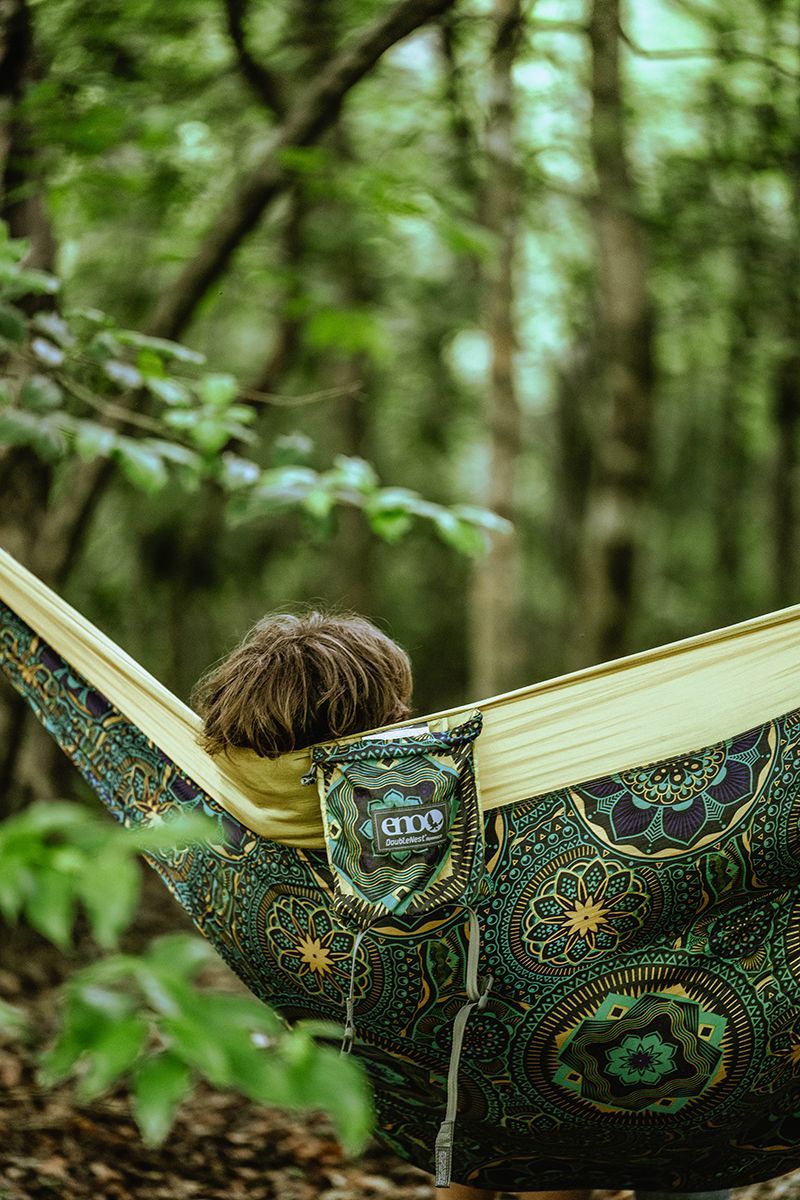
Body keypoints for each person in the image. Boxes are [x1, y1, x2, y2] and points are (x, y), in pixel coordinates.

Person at [193, 610, 728, 1200]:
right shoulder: (448, 799)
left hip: (424, 1070)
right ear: (390, 721)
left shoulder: (240, 823)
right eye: (399, 708)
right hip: (563, 1051)